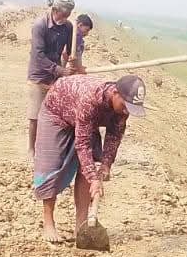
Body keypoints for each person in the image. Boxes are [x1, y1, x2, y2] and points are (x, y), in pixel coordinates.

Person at [31, 74, 147, 243]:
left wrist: (106, 165)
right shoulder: (90, 100)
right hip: (57, 113)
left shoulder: (122, 109)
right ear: (115, 93)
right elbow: (82, 143)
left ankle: (82, 225)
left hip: (85, 120)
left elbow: (114, 136)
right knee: (51, 165)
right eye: (125, 105)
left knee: (89, 165)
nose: (126, 111)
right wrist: (94, 179)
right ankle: (48, 222)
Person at [27, 0, 76, 161]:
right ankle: (31, 149)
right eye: (64, 13)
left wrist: (72, 63)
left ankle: (49, 148)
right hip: (39, 75)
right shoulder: (40, 26)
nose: (66, 17)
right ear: (54, 10)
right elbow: (38, 55)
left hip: (56, 77)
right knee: (35, 115)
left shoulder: (68, 27)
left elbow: (69, 51)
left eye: (69, 14)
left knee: (54, 115)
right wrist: (60, 70)